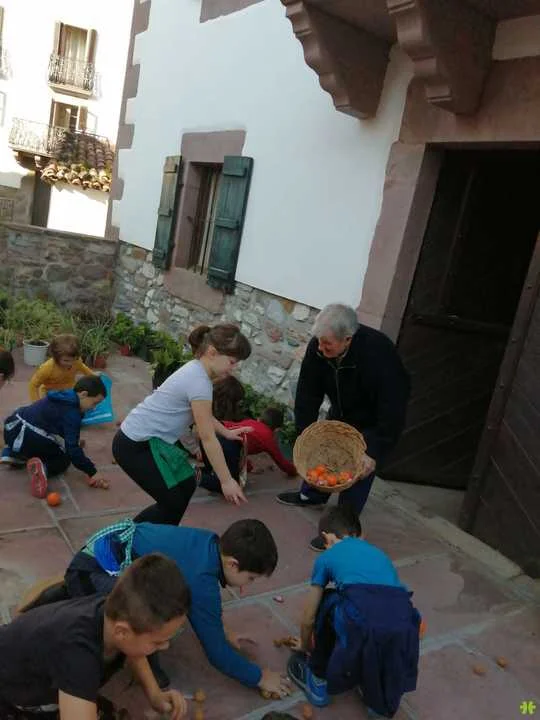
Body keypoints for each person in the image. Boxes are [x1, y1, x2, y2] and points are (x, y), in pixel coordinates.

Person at [21, 518, 292, 700]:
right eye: (251, 578)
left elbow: (209, 612)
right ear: (232, 564)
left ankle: (72, 588)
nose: (248, 586)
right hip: (95, 569)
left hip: (108, 548)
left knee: (162, 608)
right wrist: (259, 677)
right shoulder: (202, 580)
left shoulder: (210, 544)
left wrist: (222, 629)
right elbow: (217, 653)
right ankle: (71, 592)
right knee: (138, 625)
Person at [277, 303, 410, 550]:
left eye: (327, 344)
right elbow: (308, 393)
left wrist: (374, 451)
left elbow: (393, 407)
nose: (320, 348)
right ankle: (311, 495)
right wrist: (304, 434)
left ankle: (341, 529)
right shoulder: (319, 347)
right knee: (325, 454)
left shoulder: (380, 353)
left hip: (373, 421)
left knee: (358, 471)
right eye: (319, 341)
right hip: (341, 412)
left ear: (347, 339)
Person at [0, 553, 191, 720]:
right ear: (122, 632)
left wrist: (155, 694)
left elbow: (134, 650)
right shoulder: (78, 656)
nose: (165, 646)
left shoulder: (117, 612)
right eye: (157, 642)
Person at [287, 506, 420, 717]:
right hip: (405, 622)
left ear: (326, 538)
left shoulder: (326, 558)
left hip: (361, 619)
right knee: (387, 644)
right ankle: (379, 707)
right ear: (361, 535)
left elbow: (308, 617)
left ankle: (318, 681)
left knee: (328, 600)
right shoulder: (379, 554)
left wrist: (305, 645)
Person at [113, 324, 252, 526]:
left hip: (148, 443)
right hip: (134, 446)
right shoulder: (199, 382)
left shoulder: (197, 371)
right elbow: (207, 438)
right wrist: (227, 480)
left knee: (186, 485)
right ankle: (127, 536)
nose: (234, 368)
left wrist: (226, 433)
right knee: (171, 503)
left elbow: (203, 415)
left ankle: (162, 535)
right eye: (232, 362)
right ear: (212, 352)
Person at [2, 375, 109, 497]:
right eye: (95, 403)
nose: (94, 408)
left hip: (12, 428)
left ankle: (11, 452)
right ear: (83, 394)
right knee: (64, 457)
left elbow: (57, 423)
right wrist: (92, 472)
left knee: (41, 431)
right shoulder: (72, 414)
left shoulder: (63, 395)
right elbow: (72, 450)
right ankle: (43, 469)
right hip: (28, 438)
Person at [198, 406, 296, 494]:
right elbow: (282, 462)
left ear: (259, 419)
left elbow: (242, 451)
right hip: (226, 443)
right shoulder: (268, 438)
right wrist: (295, 470)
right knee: (231, 485)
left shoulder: (251, 422)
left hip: (211, 433)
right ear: (277, 430)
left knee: (212, 469)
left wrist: (250, 468)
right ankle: (194, 477)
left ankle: (197, 472)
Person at [29, 334, 94, 402]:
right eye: (66, 360)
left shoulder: (77, 361)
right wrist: (36, 402)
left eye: (74, 359)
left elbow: (84, 368)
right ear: (56, 357)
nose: (71, 363)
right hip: (50, 394)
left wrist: (94, 377)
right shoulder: (47, 368)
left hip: (69, 391)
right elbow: (33, 385)